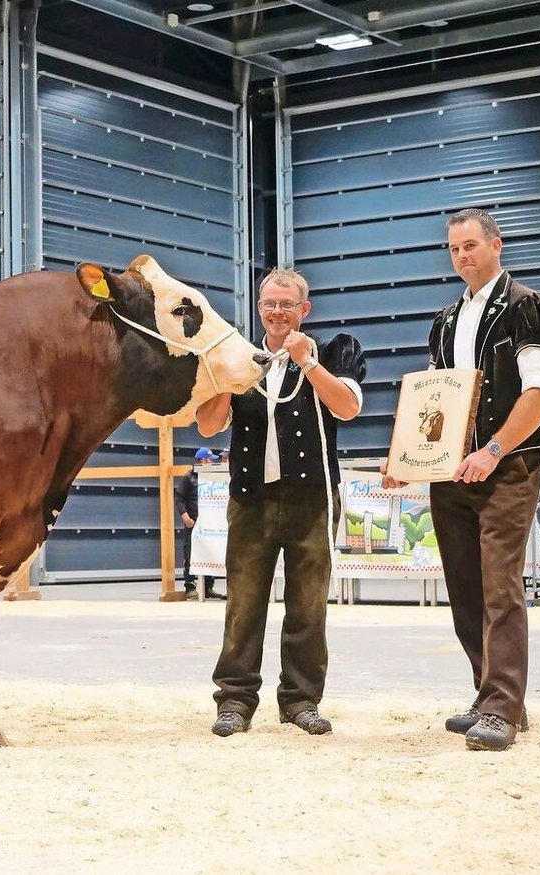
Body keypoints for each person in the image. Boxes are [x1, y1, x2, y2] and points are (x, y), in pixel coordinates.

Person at [382, 208, 540, 752]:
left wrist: (492, 450)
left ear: (496, 245)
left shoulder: (530, 308)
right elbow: (434, 404)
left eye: (471, 245)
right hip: (449, 472)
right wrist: (406, 461)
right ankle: (491, 695)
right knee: (465, 588)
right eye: (454, 248)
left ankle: (502, 709)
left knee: (499, 585)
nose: (462, 255)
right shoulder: (444, 321)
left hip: (507, 467)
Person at [196, 267, 366, 737]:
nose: (277, 312)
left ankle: (300, 700)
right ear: (259, 308)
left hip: (312, 497)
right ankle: (234, 700)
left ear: (303, 310)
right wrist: (227, 382)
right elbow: (208, 426)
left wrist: (309, 364)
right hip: (250, 498)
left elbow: (348, 407)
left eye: (287, 304)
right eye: (269, 304)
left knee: (308, 605)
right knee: (243, 604)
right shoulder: (240, 359)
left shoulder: (335, 351)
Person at [177, 448, 224, 601]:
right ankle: (190, 587)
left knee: (209, 553)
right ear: (202, 460)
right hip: (193, 523)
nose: (212, 462)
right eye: (209, 459)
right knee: (190, 554)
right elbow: (179, 499)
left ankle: (208, 587)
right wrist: (186, 518)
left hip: (208, 524)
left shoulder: (212, 478)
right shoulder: (189, 478)